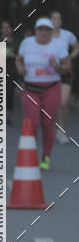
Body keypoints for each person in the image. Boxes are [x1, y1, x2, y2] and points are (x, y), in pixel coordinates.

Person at [16, 17, 70, 169]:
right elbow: (19, 60)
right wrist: (20, 68)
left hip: (51, 88)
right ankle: (31, 156)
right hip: (30, 89)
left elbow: (68, 67)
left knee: (48, 124)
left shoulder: (58, 45)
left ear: (51, 32)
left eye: (47, 30)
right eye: (41, 29)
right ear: (36, 31)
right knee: (31, 123)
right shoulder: (27, 43)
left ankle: (46, 157)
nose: (44, 33)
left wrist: (58, 66)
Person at [49, 11, 78, 143]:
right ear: (50, 21)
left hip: (65, 70)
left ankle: (61, 131)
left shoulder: (67, 35)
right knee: (51, 103)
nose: (57, 20)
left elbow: (77, 47)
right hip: (49, 71)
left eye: (59, 18)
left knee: (64, 102)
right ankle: (49, 129)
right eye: (54, 18)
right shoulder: (46, 35)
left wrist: (70, 57)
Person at [1, 20, 19, 123]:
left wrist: (13, 55)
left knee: (9, 94)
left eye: (7, 27)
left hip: (12, 72)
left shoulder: (16, 42)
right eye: (3, 27)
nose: (5, 30)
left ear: (11, 29)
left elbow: (21, 57)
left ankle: (7, 117)